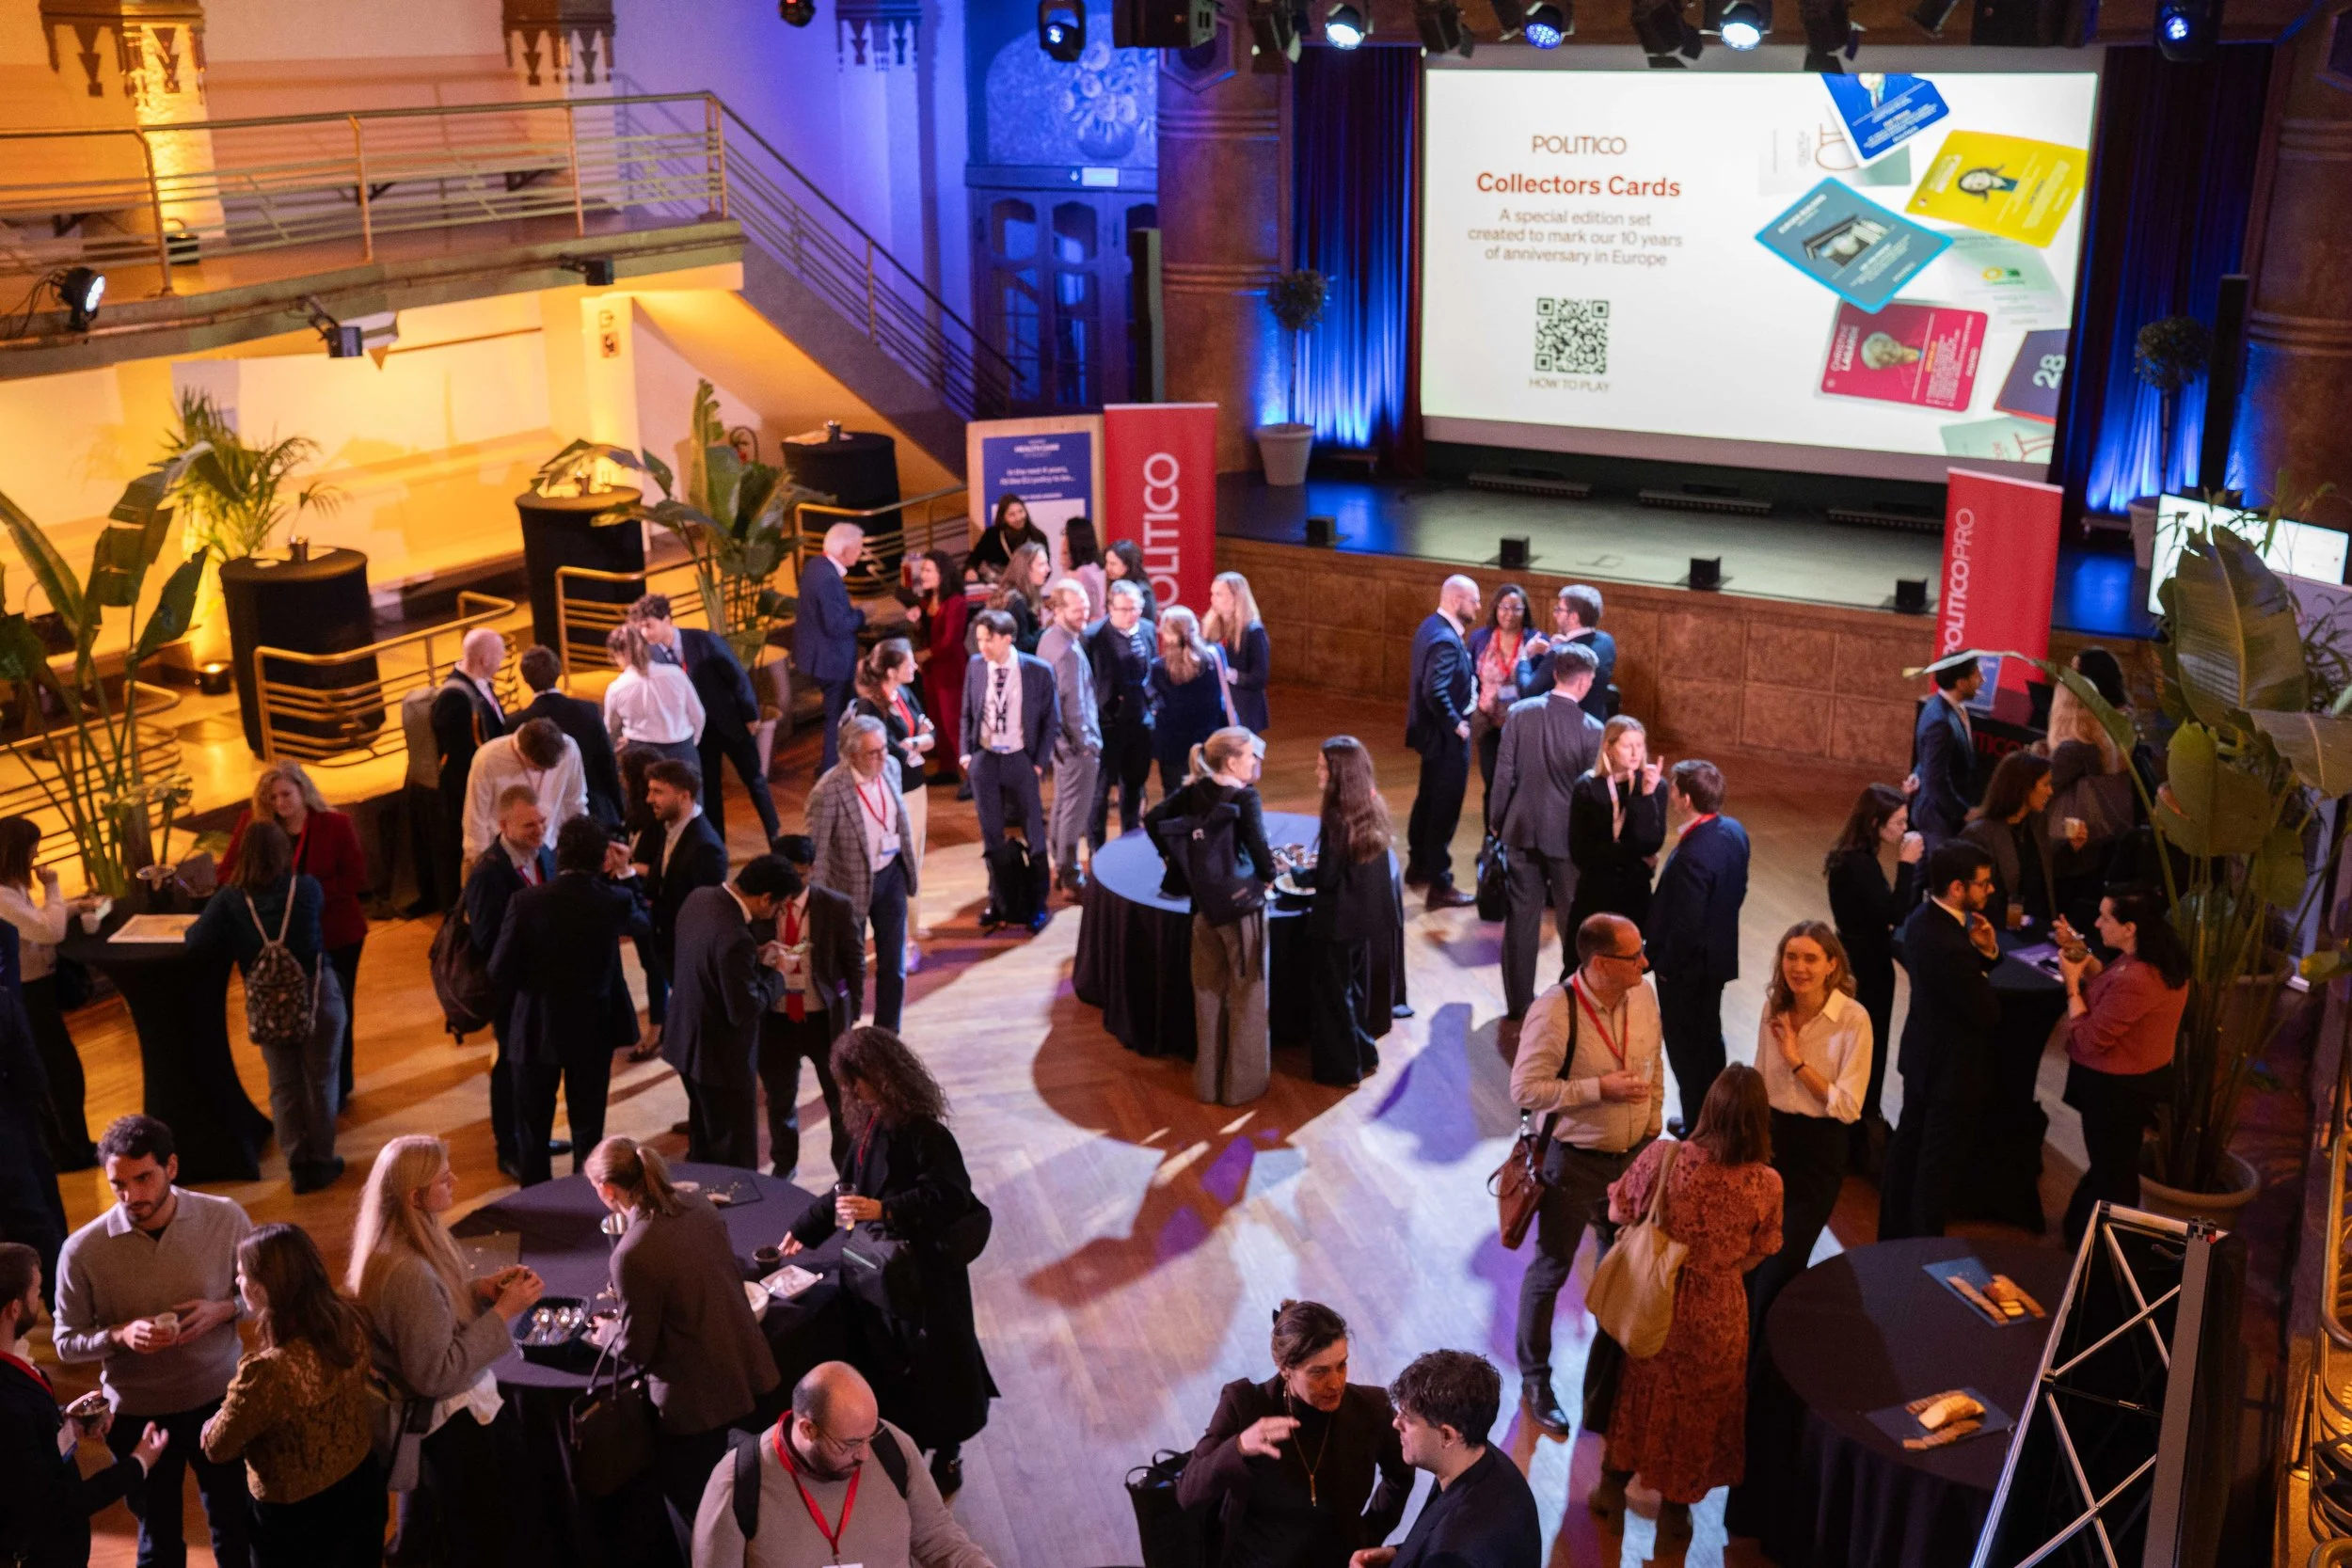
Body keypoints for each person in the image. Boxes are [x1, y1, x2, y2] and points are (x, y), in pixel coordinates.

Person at [781, 1027, 996, 1496]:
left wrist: (888, 1209)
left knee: (939, 1378)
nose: (853, 1092)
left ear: (883, 1077)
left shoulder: (925, 1134)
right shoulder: (872, 1125)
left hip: (926, 1282)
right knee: (899, 1375)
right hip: (886, 1275)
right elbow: (849, 1189)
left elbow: (951, 1196)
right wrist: (807, 1227)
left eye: (858, 1081)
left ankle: (948, 1455)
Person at [1591, 1064, 1784, 1551]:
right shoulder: (1767, 1184)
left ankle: (1611, 1489)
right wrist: (1722, 1269)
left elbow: (1618, 1210)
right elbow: (1765, 1246)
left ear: (1709, 1108)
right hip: (1720, 1312)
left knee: (1641, 1396)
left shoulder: (1666, 1156)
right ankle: (1675, 1515)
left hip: (1657, 1298)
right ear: (1761, 1120)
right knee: (1698, 1413)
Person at [53, 1115, 256, 1568]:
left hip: (220, 1399)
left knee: (235, 1524)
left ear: (173, 1167)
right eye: (118, 1184)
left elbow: (263, 1298)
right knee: (157, 1537)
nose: (131, 1197)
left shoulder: (224, 1218)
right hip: (138, 1416)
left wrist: (224, 1309)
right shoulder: (82, 1251)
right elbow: (65, 1343)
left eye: (143, 1178)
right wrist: (120, 1335)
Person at [349, 1136, 545, 1568]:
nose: (454, 1179)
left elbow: (428, 1320)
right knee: (477, 1538)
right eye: (443, 1177)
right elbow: (434, 1373)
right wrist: (504, 1314)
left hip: (445, 1424)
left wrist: (477, 1292)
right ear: (416, 1197)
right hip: (450, 1429)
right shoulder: (409, 1272)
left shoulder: (403, 1243)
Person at [1506, 913, 1663, 1439]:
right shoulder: (1554, 1011)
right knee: (1551, 1270)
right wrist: (1599, 1089)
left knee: (1621, 1267)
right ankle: (1535, 1380)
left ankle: (1610, 1384)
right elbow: (1526, 1090)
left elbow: (1653, 1060)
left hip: (1633, 1160)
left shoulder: (1642, 995)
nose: (1645, 962)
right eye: (1635, 955)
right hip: (1574, 1163)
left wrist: (1653, 1122)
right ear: (1601, 965)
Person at [589, 1137, 782, 1539]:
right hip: (747, 1368)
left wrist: (606, 1329)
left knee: (700, 1518)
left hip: (696, 1403)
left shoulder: (631, 1252)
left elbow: (637, 1349)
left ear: (608, 1190)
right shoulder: (696, 1200)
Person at [200, 1224, 385, 1568]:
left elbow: (218, 1447)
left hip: (297, 1521)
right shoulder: (351, 1319)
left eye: (241, 1275)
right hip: (361, 1487)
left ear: (262, 1288)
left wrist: (213, 1423)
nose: (238, 1283)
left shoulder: (267, 1373)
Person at [690, 1360, 994, 1568]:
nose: (865, 1454)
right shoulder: (737, 1484)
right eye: (850, 1444)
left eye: (869, 1436)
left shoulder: (891, 1447)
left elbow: (938, 1539)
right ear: (808, 1429)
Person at [1179, 1300, 1412, 1568]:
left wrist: (1369, 1533)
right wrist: (1239, 1448)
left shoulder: (1371, 1407)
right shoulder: (1244, 1405)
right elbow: (1188, 1494)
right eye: (1319, 1372)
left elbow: (1401, 1475)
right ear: (1284, 1367)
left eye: (1341, 1365)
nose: (1336, 1383)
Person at [185, 821, 349, 1192]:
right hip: (317, 996)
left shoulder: (229, 900)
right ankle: (323, 1160)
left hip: (268, 1004)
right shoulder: (306, 889)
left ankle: (297, 1165)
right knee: (321, 1080)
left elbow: (195, 941)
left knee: (283, 1085)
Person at [491, 816, 651, 1184]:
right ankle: (585, 1194)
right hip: (593, 1030)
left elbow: (499, 970)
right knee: (588, 1127)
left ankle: (537, 1201)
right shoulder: (615, 900)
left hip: (536, 1028)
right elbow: (642, 923)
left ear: (559, 853)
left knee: (532, 1128)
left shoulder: (526, 902)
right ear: (602, 859)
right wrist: (626, 873)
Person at [1, 1239, 170, 1568]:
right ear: (14, 1308)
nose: (40, 1299)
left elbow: (23, 1448)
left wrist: (68, 1421)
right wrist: (138, 1464)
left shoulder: (15, 1371)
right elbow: (55, 1504)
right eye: (36, 1291)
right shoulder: (8, 1404)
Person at [1877, 841, 2004, 1241]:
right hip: (1951, 1070)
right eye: (1983, 884)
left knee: (1907, 1151)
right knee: (1935, 1166)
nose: (1991, 891)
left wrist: (1983, 952)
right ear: (1956, 888)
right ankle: (1924, 1246)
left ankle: (1893, 1236)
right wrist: (1981, 960)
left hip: (1922, 1055)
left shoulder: (1921, 918)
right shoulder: (1950, 944)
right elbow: (1987, 1012)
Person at [1745, 923, 1870, 1318]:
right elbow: (1761, 1079)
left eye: (1811, 958)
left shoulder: (1853, 1019)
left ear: (1832, 964)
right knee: (1749, 1261)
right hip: (1771, 1141)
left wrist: (1796, 1060)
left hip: (1820, 1148)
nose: (1799, 967)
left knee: (1783, 1267)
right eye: (1791, 956)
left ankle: (1764, 1366)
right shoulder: (1774, 1008)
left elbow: (1848, 1107)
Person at [1146, 728, 1277, 1106]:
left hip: (1203, 910)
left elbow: (1154, 819)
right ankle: (1242, 1088)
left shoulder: (1192, 792)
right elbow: (1259, 850)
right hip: (1240, 913)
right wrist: (1270, 875)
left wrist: (1176, 860)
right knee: (1248, 997)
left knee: (1207, 996)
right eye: (1251, 755)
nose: (1256, 761)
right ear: (1232, 761)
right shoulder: (1245, 797)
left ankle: (1206, 1084)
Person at [227, 761, 369, 1106]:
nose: (280, 804)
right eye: (271, 797)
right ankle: (305, 1087)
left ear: (303, 790)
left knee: (335, 1009)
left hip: (337, 933)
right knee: (290, 1014)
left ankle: (340, 1085)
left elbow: (355, 878)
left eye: (286, 794)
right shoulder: (254, 828)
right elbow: (227, 871)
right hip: (279, 942)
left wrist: (306, 896)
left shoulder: (335, 825)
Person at [2056, 891, 2189, 1248]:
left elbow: (2088, 1038)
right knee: (2113, 1163)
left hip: (2115, 1089)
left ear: (2129, 927)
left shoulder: (2138, 978)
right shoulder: (2146, 961)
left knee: (2112, 1172)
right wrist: (2079, 951)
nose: (2096, 924)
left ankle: (2100, 1250)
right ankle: (2082, 1237)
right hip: (2132, 1082)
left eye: (2105, 918)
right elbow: (2107, 987)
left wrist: (2071, 982)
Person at [1487, 641, 1604, 1044]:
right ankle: (1571, 1000)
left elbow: (1503, 776)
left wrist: (1497, 823)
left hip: (1520, 829)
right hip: (1567, 840)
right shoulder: (1592, 730)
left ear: (1555, 673)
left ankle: (1519, 1003)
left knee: (1522, 919)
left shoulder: (1520, 714)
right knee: (1574, 921)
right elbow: (1591, 796)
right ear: (1586, 682)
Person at [1347, 1351, 1538, 1568]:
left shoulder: (1452, 1553)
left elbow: (1446, 1551)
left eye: (1408, 1419)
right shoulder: (1482, 1458)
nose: (1396, 1423)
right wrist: (1398, 1555)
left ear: (1447, 1436)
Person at [666, 856, 793, 1165]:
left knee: (704, 1136)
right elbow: (744, 1009)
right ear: (766, 898)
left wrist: (753, 957)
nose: (777, 913)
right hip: (720, 1059)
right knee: (735, 1154)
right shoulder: (735, 936)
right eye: (779, 906)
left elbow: (708, 962)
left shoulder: (700, 897)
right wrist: (778, 974)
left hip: (685, 1042)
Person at [1647, 759, 1749, 1132]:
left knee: (1686, 1052)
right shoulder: (1734, 832)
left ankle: (1697, 1127)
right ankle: (1715, 1122)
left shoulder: (1692, 855)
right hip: (1717, 960)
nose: (1670, 794)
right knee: (1709, 1042)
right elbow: (1738, 891)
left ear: (1686, 798)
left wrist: (1667, 967)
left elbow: (1686, 926)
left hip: (1687, 971)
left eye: (1673, 789)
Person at [633, 593, 783, 843]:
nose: (645, 633)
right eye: (641, 628)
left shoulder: (703, 640)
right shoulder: (651, 655)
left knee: (754, 779)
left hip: (730, 722)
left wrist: (750, 714)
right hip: (697, 733)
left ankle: (775, 837)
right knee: (710, 790)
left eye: (649, 625)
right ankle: (717, 846)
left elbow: (736, 676)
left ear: (667, 619)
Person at [464, 785, 555, 1180]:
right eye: (529, 824)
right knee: (509, 1068)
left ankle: (533, 1137)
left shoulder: (545, 855)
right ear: (503, 825)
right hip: (509, 992)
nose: (539, 831)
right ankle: (509, 1145)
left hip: (538, 990)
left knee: (532, 1069)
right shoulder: (488, 872)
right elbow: (486, 938)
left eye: (542, 822)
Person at [0, 817, 101, 1170]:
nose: (36, 856)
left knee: (57, 1071)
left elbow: (39, 920)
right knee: (59, 1073)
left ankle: (70, 1146)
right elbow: (49, 931)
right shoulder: (2, 896)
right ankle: (69, 1150)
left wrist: (76, 906)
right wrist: (55, 889)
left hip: (34, 990)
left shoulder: (11, 888)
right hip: (26, 995)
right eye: (31, 849)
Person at [1825, 783, 1923, 1141]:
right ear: (1876, 823)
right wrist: (1907, 865)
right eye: (1897, 822)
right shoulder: (1860, 865)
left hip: (1854, 957)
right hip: (1868, 965)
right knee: (1869, 1040)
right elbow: (1894, 912)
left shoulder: (1849, 856)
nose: (1903, 828)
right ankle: (1862, 1120)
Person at [755, 844, 859, 1181]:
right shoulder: (765, 906)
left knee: (839, 1100)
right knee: (780, 1098)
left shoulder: (836, 907)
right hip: (777, 1020)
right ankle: (784, 1164)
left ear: (812, 868)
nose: (791, 881)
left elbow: (854, 962)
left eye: (797, 873)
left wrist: (853, 1013)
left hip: (822, 1021)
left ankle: (845, 1172)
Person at [806, 716, 917, 1030]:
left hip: (891, 876)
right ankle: (847, 1037)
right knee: (848, 970)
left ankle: (887, 1037)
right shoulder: (827, 791)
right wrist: (819, 905)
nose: (883, 757)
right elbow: (819, 854)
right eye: (873, 753)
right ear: (851, 755)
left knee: (893, 967)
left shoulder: (891, 769)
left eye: (884, 749)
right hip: (848, 889)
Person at [1297, 737, 1395, 1089]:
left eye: (1323, 767)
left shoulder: (1338, 816)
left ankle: (1341, 1069)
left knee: (1333, 998)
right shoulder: (1369, 803)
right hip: (1365, 919)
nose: (1317, 772)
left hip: (1336, 923)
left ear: (1340, 773)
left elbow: (1327, 877)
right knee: (1350, 991)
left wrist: (1298, 874)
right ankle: (1365, 1054)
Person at [960, 609, 1059, 931]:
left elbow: (1050, 720)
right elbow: (967, 715)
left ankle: (1037, 904)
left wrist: (1038, 763)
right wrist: (966, 755)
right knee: (991, 834)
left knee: (1034, 833)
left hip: (1021, 758)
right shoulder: (975, 667)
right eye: (979, 640)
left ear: (1007, 638)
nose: (982, 647)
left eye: (988, 640)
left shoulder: (1038, 671)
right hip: (986, 758)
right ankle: (998, 901)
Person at [630, 757, 730, 1058]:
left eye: (658, 792)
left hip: (688, 955)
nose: (649, 800)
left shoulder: (705, 847)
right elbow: (662, 881)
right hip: (669, 948)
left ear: (684, 795)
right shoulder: (671, 827)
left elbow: (708, 916)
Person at [850, 639, 938, 947]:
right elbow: (887, 749)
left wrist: (916, 742)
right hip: (892, 792)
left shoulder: (905, 693)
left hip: (916, 785)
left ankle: (911, 925)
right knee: (897, 861)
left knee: (915, 857)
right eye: (908, 663)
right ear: (890, 671)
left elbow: (927, 730)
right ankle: (899, 934)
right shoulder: (869, 706)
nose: (915, 667)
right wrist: (918, 743)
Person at [1403, 576, 1479, 911]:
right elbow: (1434, 689)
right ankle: (1440, 884)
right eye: (1473, 600)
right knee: (1443, 810)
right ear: (1455, 600)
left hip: (1431, 737)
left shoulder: (1429, 626)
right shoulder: (1447, 640)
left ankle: (1417, 866)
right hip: (1446, 738)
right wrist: (1456, 724)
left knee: (1428, 800)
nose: (1478, 606)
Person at [2042, 684, 2137, 929]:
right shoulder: (2098, 743)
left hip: (2068, 848)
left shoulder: (2072, 748)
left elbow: (2047, 785)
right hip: (2090, 849)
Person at [1565, 716, 1667, 936]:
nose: (1635, 753)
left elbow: (1651, 843)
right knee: (1580, 959)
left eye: (1639, 745)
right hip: (1595, 890)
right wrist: (1633, 855)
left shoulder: (1654, 785)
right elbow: (1581, 853)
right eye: (1627, 746)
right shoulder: (1588, 786)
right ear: (1608, 747)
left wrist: (1646, 797)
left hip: (1634, 892)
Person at [1036, 578, 1103, 895]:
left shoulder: (1049, 639)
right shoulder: (1067, 652)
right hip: (1076, 746)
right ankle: (1069, 875)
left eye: (1087, 609)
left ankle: (1060, 864)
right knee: (1074, 812)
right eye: (1078, 610)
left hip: (1059, 744)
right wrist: (1087, 744)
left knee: (1063, 805)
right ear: (1059, 609)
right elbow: (1073, 705)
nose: (1085, 616)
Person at [432, 626, 509, 906]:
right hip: (465, 792)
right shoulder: (453, 697)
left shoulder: (481, 685)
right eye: (499, 656)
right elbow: (459, 755)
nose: (502, 662)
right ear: (484, 659)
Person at [514, 642, 626, 829]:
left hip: (543, 819)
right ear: (558, 672)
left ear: (525, 680)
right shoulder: (588, 710)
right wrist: (618, 808)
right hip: (593, 808)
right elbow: (607, 763)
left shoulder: (517, 723)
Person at [1963, 751, 2074, 938]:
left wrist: (2072, 848)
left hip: (2041, 927)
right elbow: (1981, 901)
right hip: (2004, 933)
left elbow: (2043, 872)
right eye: (2045, 784)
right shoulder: (1981, 834)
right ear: (2024, 788)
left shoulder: (2037, 822)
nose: (2051, 791)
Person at [461, 714, 588, 864]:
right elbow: (476, 819)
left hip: (549, 854)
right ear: (523, 754)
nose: (543, 773)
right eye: (537, 768)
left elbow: (575, 803)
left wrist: (581, 848)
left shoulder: (569, 749)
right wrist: (480, 862)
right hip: (505, 858)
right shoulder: (488, 758)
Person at [1088, 579, 1157, 847]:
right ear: (1110, 608)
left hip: (1139, 724)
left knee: (1134, 788)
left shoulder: (1148, 630)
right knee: (1100, 793)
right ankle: (1098, 851)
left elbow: (1152, 671)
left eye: (1136, 608)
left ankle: (1129, 844)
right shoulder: (1094, 636)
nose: (1132, 614)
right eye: (1125, 609)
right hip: (1107, 727)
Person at [796, 523, 870, 774]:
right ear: (845, 549)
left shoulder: (815, 566)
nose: (860, 555)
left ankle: (832, 767)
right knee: (837, 717)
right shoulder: (828, 578)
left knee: (836, 716)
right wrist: (861, 614)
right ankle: (831, 770)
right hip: (832, 662)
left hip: (818, 658)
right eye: (858, 549)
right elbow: (837, 625)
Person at [1466, 583, 1537, 814]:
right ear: (1495, 608)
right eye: (1504, 607)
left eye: (1517, 608)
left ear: (1525, 611)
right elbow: (1469, 677)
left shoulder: (1535, 641)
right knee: (1492, 779)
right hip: (1487, 722)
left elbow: (1542, 683)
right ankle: (1492, 838)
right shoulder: (1480, 638)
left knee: (1519, 783)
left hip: (1522, 726)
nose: (1509, 613)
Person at [604, 621, 706, 784]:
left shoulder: (617, 687)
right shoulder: (675, 674)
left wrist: (628, 738)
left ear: (619, 653)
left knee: (644, 806)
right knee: (689, 806)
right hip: (682, 751)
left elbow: (610, 727)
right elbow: (698, 715)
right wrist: (690, 744)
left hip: (640, 755)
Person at [1150, 607, 1234, 796]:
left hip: (1173, 747)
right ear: (1195, 628)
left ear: (1165, 633)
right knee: (1209, 795)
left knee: (1175, 797)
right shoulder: (1216, 656)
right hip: (1209, 741)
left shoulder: (1158, 669)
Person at [908, 550, 973, 784]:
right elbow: (926, 635)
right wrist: (917, 622)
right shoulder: (927, 601)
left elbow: (950, 640)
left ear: (942, 574)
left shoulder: (956, 602)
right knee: (937, 721)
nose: (922, 574)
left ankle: (972, 777)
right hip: (932, 671)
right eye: (922, 569)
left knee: (953, 722)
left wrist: (925, 654)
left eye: (927, 570)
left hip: (950, 671)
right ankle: (947, 769)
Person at [1910, 654, 1982, 843]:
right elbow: (1935, 780)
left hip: (1943, 816)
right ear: (1960, 682)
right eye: (1976, 676)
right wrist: (1963, 812)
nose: (1982, 681)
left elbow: (1929, 759)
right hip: (1939, 819)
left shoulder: (1942, 707)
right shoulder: (1940, 721)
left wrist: (1916, 775)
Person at [1205, 570, 1273, 734]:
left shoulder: (1253, 631)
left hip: (1243, 708)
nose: (1212, 599)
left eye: (1219, 594)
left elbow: (1259, 678)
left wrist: (1229, 674)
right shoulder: (1211, 626)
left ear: (1236, 596)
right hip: (1217, 705)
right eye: (1212, 593)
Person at [965, 493, 1048, 581]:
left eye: (1021, 511)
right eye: (1012, 514)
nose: (1018, 518)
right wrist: (970, 570)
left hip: (1028, 587)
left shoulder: (1037, 537)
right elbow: (974, 558)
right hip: (997, 586)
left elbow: (1046, 568)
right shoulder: (991, 535)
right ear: (1003, 517)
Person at [989, 541, 1050, 653]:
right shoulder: (1016, 602)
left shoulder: (1011, 595)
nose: (1048, 569)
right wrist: (1049, 630)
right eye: (1041, 565)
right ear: (1026, 569)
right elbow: (1021, 645)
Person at [1104, 537, 1160, 624]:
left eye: (1113, 564)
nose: (1108, 568)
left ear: (1128, 565)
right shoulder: (1114, 586)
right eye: (1107, 562)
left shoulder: (1143, 592)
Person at [1064, 515, 1108, 615]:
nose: (1064, 539)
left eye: (1065, 534)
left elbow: (1087, 609)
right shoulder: (1096, 565)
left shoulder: (1082, 573)